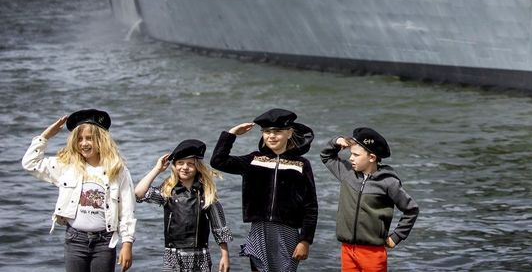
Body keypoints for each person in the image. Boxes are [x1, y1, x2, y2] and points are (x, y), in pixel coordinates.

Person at [21, 109, 136, 272]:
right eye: (79, 139)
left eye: (89, 138)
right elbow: (30, 163)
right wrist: (46, 136)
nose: (83, 143)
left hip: (105, 242)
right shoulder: (66, 166)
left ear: (101, 140)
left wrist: (127, 243)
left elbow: (127, 211)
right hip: (75, 240)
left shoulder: (117, 170)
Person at [211, 108, 318, 272]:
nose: (271, 136)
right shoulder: (253, 160)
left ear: (289, 133)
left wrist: (305, 241)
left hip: (287, 232)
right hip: (258, 230)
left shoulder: (301, 164)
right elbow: (218, 161)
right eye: (267, 132)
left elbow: (311, 206)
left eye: (277, 131)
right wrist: (231, 134)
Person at [320, 127, 419, 272]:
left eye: (355, 154)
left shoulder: (388, 182)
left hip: (373, 253)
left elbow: (411, 209)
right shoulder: (347, 173)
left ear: (372, 158)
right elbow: (326, 156)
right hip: (347, 249)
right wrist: (337, 141)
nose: (350, 158)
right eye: (350, 153)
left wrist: (396, 236)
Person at [134, 139, 232, 272]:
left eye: (190, 164)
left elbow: (219, 226)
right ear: (174, 165)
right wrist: (157, 170)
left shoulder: (207, 192)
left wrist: (224, 255)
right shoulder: (167, 191)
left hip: (200, 253)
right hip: (173, 253)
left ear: (198, 167)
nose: (185, 167)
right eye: (180, 163)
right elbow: (139, 193)